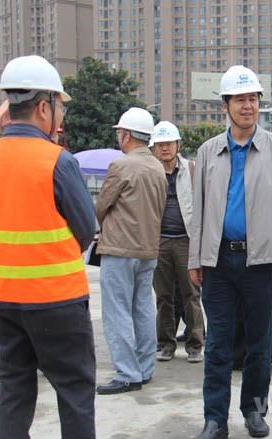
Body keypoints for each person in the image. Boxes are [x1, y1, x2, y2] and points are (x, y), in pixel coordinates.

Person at [0, 55, 97, 438]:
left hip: (5, 301)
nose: (61, 116)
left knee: (14, 391)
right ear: (43, 107)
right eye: (60, 107)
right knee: (74, 392)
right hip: (58, 300)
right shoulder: (58, 161)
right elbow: (86, 230)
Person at [188, 65, 272, 439]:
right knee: (217, 344)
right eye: (239, 100)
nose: (247, 106)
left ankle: (254, 410)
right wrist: (195, 259)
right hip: (218, 261)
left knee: (259, 343)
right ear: (225, 105)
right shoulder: (208, 152)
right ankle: (214, 418)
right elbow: (199, 209)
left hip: (260, 262)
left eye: (252, 99)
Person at [95, 107, 167, 395]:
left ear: (126, 135)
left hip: (120, 248)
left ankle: (126, 373)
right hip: (148, 248)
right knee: (143, 309)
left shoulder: (121, 165)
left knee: (117, 311)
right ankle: (144, 369)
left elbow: (102, 205)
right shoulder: (157, 167)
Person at [150, 121, 205, 363]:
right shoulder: (150, 172)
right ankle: (166, 344)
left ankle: (195, 344)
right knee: (163, 296)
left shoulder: (191, 169)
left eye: (169, 143)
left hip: (186, 241)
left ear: (178, 145)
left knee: (191, 293)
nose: (165, 148)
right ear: (153, 148)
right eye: (160, 144)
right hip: (159, 241)